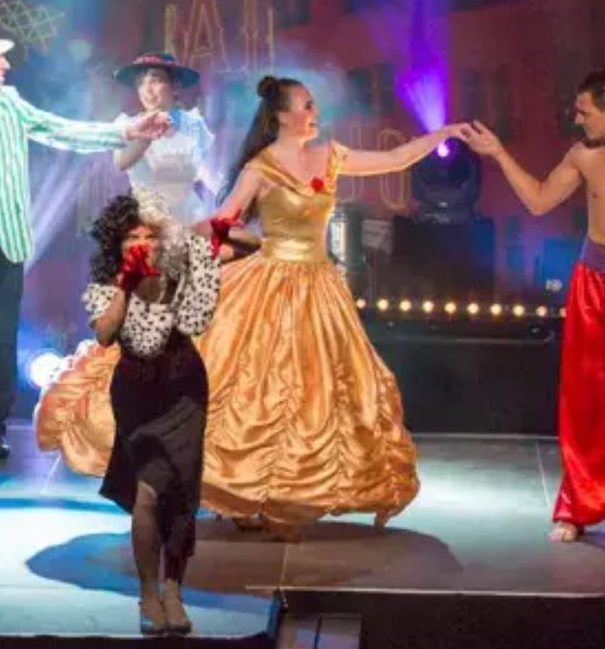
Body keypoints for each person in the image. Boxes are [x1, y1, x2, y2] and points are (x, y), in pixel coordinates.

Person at [40, 75, 472, 540]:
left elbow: (393, 159)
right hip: (269, 284)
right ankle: (243, 495)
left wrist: (443, 134)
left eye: (314, 104)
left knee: (312, 394)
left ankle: (285, 499)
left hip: (319, 287)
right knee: (252, 389)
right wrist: (172, 248)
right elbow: (222, 221)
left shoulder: (331, 155)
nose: (315, 112)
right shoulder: (261, 168)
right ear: (282, 115)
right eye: (307, 105)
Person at [0, 27, 169, 460]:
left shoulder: (9, 103)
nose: (5, 66)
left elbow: (62, 131)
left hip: (6, 241)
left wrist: (128, 130)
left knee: (2, 341)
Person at [464, 73, 605, 542]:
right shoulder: (583, 155)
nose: (577, 118)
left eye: (585, 110)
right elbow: (540, 200)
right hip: (595, 282)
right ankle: (578, 506)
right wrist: (499, 152)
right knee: (585, 399)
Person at [79, 190, 221, 635]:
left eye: (150, 235)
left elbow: (198, 319)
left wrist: (201, 243)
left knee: (180, 494)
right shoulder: (106, 284)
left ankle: (174, 590)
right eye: (131, 236)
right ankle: (147, 594)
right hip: (137, 397)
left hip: (184, 392)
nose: (141, 243)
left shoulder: (182, 271)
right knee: (146, 495)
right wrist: (125, 285)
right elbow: (104, 335)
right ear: (117, 243)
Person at [111, 52, 219, 223]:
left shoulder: (192, 122)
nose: (147, 89)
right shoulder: (127, 124)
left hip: (190, 216)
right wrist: (145, 139)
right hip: (148, 217)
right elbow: (121, 163)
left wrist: (229, 198)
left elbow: (208, 170)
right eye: (141, 83)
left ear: (174, 86)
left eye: (155, 81)